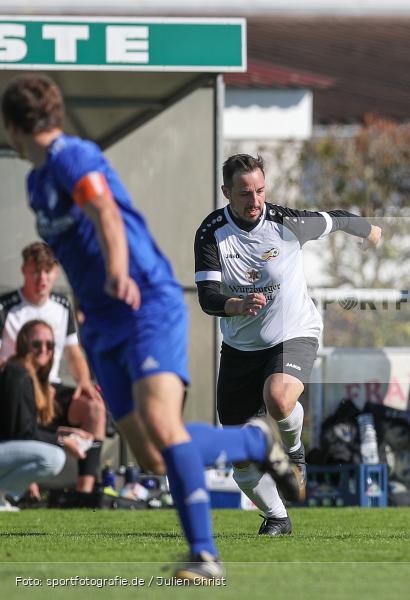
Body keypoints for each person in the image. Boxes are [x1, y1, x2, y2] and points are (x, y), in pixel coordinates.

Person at [2, 73, 304, 581]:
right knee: (152, 458)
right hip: (101, 324)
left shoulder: (72, 157)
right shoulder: (36, 183)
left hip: (145, 304)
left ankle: (204, 556)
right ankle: (254, 444)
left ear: (12, 125)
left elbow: (104, 212)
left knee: (165, 428)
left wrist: (119, 272)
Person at [194, 153, 381, 535]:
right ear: (226, 192)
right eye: (245, 193)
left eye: (260, 190)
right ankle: (277, 516)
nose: (255, 200)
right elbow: (208, 297)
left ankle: (295, 452)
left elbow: (338, 217)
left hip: (293, 333)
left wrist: (370, 232)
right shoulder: (211, 232)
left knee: (279, 397)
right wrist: (237, 305)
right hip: (240, 350)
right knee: (240, 459)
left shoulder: (287, 223)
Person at [0, 242, 105, 493]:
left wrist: (84, 383)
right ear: (24, 270)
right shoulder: (6, 306)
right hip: (14, 389)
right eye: (36, 271)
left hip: (51, 388)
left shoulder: (62, 305)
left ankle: (85, 493)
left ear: (56, 272)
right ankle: (26, 488)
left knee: (94, 408)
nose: (42, 278)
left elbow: (73, 351)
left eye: (48, 271)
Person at [0, 320, 90, 511]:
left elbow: (23, 428)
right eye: (36, 344)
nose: (44, 350)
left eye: (49, 345)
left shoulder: (28, 375)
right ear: (24, 344)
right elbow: (20, 433)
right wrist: (63, 441)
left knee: (53, 455)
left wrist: (63, 433)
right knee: (53, 457)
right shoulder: (16, 372)